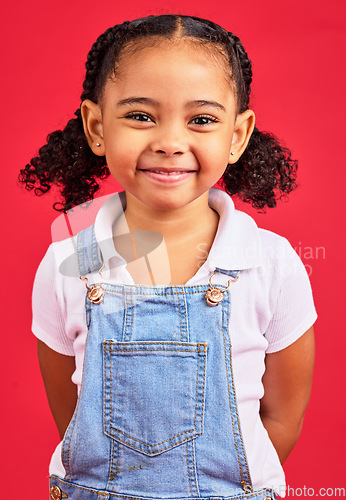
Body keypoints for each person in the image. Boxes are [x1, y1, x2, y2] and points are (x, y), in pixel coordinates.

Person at [19, 14, 317, 500]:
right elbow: (73, 418)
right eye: (140, 116)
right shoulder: (66, 263)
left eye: (201, 120)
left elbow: (281, 420)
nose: (170, 142)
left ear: (238, 136)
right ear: (96, 126)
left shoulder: (271, 263)